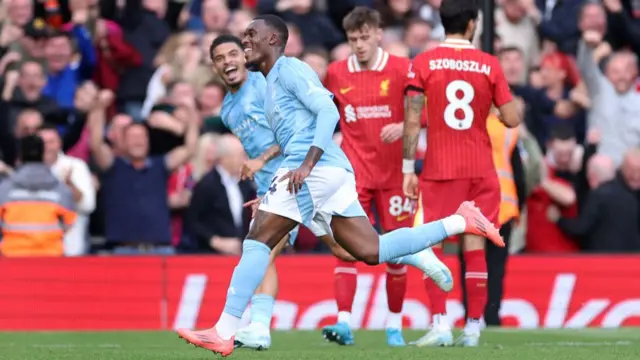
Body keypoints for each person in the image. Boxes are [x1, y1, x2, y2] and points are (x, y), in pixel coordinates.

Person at [177, 14, 503, 357]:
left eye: (250, 36)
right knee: (369, 250)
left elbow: (328, 112)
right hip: (326, 171)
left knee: (258, 240)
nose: (245, 43)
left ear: (273, 39)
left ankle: (225, 330)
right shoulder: (270, 82)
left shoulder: (289, 70)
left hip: (311, 171)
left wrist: (306, 163)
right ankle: (460, 220)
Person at [208, 34, 354, 350]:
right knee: (264, 252)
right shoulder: (227, 111)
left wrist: (263, 160)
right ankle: (258, 327)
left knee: (346, 249)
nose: (228, 61)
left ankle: (256, 327)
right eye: (220, 58)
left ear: (244, 56)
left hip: (301, 175)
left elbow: (295, 132)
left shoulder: (265, 84)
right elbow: (256, 149)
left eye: (233, 53)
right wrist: (262, 188)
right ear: (215, 66)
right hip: (276, 186)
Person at [402, 0, 521, 347]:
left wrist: (409, 168)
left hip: (440, 170)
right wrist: (496, 110)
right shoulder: (489, 64)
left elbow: (412, 120)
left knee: (430, 248)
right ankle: (473, 327)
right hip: (480, 170)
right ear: (472, 25)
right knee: (474, 248)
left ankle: (440, 323)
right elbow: (512, 118)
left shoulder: (422, 62)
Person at [322, 7, 415, 347]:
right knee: (345, 249)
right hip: (354, 176)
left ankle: (394, 326)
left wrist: (407, 124)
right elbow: (318, 110)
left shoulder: (402, 68)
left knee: (396, 254)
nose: (359, 45)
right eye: (352, 39)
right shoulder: (335, 73)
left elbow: (431, 107)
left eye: (364, 37)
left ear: (379, 34)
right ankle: (343, 323)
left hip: (394, 177)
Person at [0, 135, 76, 257]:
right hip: (52, 256)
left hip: (12, 255)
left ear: (20, 156)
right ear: (43, 154)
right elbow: (69, 221)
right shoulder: (59, 188)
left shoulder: (5, 188)